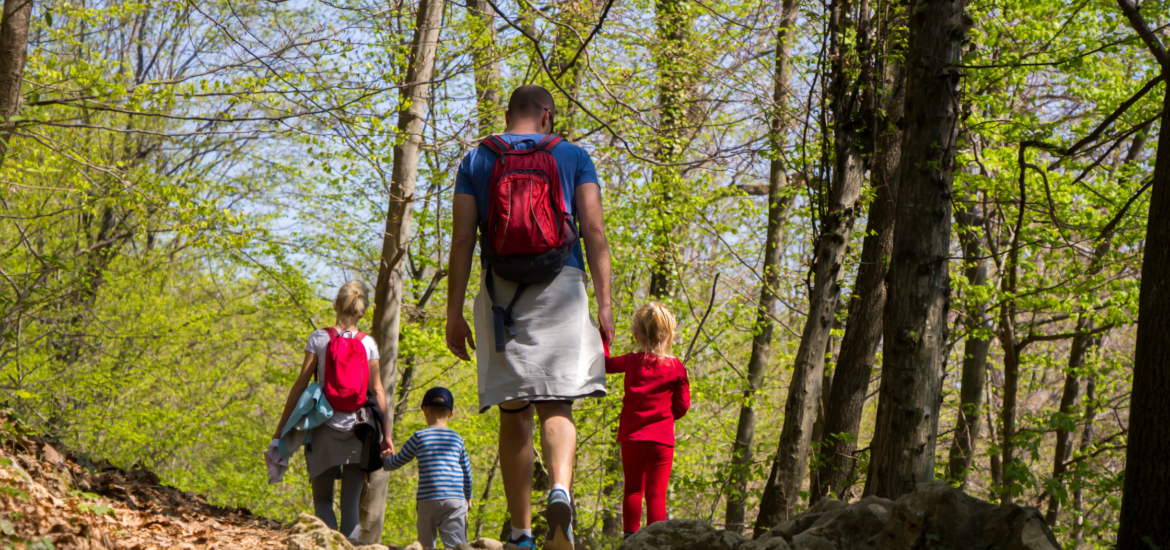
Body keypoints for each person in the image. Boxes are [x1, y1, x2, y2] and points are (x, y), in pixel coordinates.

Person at [445, 84, 614, 550]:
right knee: (557, 403)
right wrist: (604, 303)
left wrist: (454, 312)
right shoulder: (573, 156)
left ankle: (521, 534)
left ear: (507, 113)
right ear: (546, 115)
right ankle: (559, 489)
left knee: (513, 412)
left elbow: (462, 240)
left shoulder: (477, 159)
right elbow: (594, 229)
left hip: (503, 296)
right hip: (562, 286)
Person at [272, 281, 393, 542]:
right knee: (350, 506)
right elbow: (379, 391)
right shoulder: (368, 343)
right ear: (363, 312)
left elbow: (301, 384)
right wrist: (387, 435)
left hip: (322, 427)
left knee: (323, 500)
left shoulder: (319, 338)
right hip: (360, 431)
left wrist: (282, 427)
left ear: (335, 305)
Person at [603, 303, 690, 537]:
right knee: (656, 494)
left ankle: (630, 537)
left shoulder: (631, 361)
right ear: (671, 336)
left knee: (632, 490)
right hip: (661, 441)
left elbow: (605, 364)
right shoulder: (676, 367)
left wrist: (603, 337)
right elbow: (682, 407)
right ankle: (655, 539)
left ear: (636, 335)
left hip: (632, 438)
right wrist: (668, 415)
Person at [383, 387, 473, 549]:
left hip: (428, 499)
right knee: (457, 545)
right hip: (455, 499)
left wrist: (386, 459)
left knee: (425, 545)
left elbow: (398, 461)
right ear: (451, 413)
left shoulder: (419, 436)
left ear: (425, 411)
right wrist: (468, 496)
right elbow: (466, 471)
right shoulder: (457, 439)